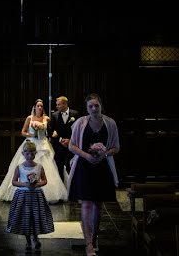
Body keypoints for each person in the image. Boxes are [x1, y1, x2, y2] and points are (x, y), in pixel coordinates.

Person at [68, 93, 120, 256]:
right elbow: (71, 145)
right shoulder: (80, 123)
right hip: (84, 167)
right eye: (90, 106)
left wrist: (104, 154)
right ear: (87, 108)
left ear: (101, 106)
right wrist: (87, 155)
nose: (94, 109)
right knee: (86, 203)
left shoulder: (110, 123)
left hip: (102, 167)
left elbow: (116, 147)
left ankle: (94, 237)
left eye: (96, 105)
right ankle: (88, 244)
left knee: (98, 204)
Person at [0, 99, 69, 203]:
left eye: (41, 106)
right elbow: (23, 132)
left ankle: (49, 194)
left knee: (48, 166)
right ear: (34, 107)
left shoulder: (46, 118)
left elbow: (51, 130)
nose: (40, 107)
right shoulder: (29, 118)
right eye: (38, 106)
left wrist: (54, 134)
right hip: (31, 142)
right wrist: (31, 134)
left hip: (43, 144)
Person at [6, 140, 54, 252]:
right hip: (23, 196)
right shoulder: (19, 167)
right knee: (25, 218)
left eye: (32, 153)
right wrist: (24, 184)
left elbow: (45, 180)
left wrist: (37, 184)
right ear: (23, 154)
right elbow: (14, 181)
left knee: (36, 217)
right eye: (27, 153)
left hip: (36, 196)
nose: (30, 155)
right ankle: (28, 241)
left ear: (35, 153)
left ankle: (36, 238)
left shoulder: (39, 167)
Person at [49, 95, 79, 181]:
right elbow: (50, 131)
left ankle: (72, 186)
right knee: (59, 167)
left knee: (72, 166)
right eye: (57, 104)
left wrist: (70, 140)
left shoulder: (75, 114)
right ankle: (62, 187)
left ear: (65, 104)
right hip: (58, 146)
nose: (57, 106)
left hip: (72, 145)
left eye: (59, 104)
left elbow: (78, 131)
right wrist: (60, 139)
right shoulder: (54, 115)